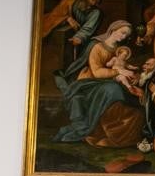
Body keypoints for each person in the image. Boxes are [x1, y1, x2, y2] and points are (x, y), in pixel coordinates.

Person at [52, 20, 146, 148]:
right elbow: (96, 72)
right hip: (90, 81)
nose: (124, 37)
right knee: (112, 90)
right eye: (122, 32)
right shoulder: (97, 47)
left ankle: (119, 136)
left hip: (109, 80)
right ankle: (99, 132)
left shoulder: (119, 51)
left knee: (126, 93)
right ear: (113, 30)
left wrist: (133, 76)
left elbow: (125, 67)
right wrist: (118, 70)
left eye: (126, 35)